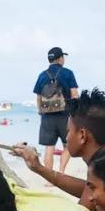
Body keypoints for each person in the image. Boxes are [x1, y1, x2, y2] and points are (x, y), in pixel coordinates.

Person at [32, 47, 78, 176]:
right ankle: (61, 172)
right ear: (60, 59)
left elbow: (38, 97)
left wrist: (41, 111)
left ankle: (49, 178)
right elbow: (74, 94)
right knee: (67, 146)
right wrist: (76, 112)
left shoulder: (42, 75)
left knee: (49, 147)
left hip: (47, 117)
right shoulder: (68, 73)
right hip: (65, 116)